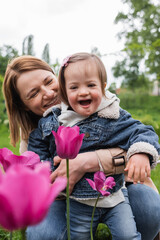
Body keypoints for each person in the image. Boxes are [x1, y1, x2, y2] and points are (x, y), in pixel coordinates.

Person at [2, 55, 160, 240]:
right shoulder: (37, 134)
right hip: (70, 199)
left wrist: (88, 161)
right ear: (24, 105)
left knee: (147, 207)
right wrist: (53, 176)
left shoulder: (101, 107)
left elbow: (138, 135)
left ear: (58, 78)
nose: (48, 93)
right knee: (42, 233)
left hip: (117, 190)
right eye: (34, 93)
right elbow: (41, 170)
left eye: (48, 82)